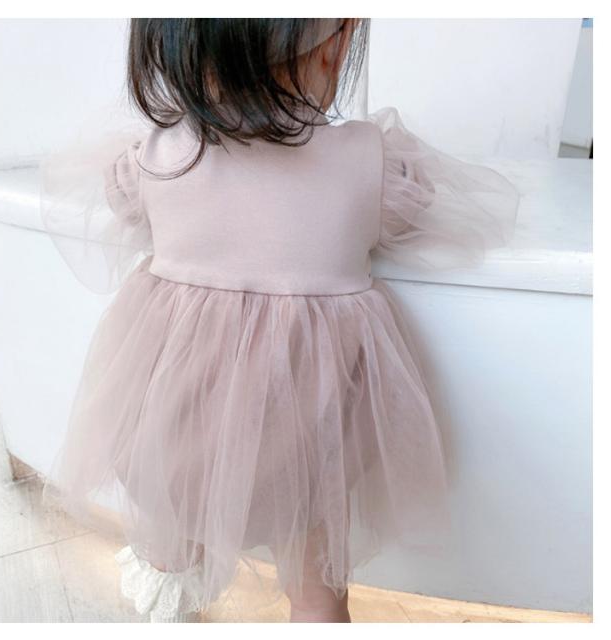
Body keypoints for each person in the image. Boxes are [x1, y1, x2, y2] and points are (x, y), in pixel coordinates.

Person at [40, 18, 519, 623]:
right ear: (335, 47)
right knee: (318, 590)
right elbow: (416, 222)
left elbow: (129, 212)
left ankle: (171, 581)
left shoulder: (155, 159)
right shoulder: (369, 162)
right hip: (308, 445)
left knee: (171, 533)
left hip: (176, 425)